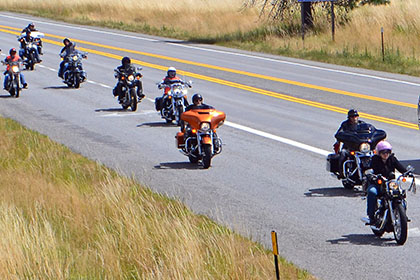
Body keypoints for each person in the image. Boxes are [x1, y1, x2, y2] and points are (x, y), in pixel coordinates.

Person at [364, 140, 408, 225]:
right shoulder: (374, 160)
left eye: (387, 152)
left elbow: (400, 168)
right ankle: (371, 216)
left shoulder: (392, 159)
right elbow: (369, 169)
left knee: (400, 194)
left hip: (391, 184)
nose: (385, 154)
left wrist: (407, 172)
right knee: (372, 192)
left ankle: (403, 215)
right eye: (383, 152)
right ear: (379, 153)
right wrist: (371, 175)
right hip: (378, 183)